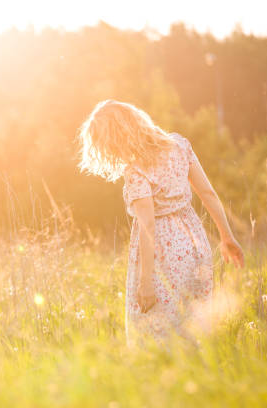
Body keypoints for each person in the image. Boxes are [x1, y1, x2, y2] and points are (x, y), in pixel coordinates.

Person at [76, 100, 244, 345]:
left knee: (154, 335)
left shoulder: (137, 171)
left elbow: (148, 225)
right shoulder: (179, 145)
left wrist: (145, 283)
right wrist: (227, 237)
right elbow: (208, 194)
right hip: (195, 245)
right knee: (195, 331)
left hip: (163, 256)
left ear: (116, 139)